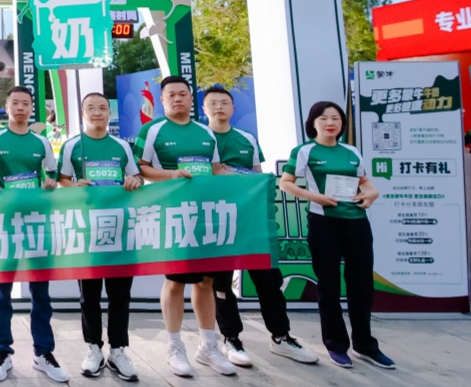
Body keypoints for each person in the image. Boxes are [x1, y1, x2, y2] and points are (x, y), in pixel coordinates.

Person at [201, 86, 318, 367]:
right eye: (213, 103)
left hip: (250, 218)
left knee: (268, 280)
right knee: (221, 283)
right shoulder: (199, 139)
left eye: (224, 102)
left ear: (233, 108)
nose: (219, 107)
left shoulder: (247, 139)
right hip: (216, 217)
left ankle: (281, 337)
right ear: (204, 109)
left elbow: (257, 177)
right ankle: (231, 338)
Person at [133, 75, 237, 378]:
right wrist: (171, 175)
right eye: (171, 95)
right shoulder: (152, 130)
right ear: (162, 100)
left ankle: (208, 346)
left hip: (207, 214)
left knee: (206, 282)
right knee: (176, 281)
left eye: (183, 94)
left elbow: (216, 170)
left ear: (192, 99)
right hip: (173, 214)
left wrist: (252, 182)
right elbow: (139, 168)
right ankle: (175, 347)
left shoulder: (206, 132)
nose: (178, 99)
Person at [279, 101, 395, 370]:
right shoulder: (305, 151)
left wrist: (372, 193)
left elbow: (364, 182)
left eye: (335, 118)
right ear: (313, 123)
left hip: (357, 222)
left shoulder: (351, 151)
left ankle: (364, 345)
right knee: (329, 285)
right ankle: (336, 344)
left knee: (362, 285)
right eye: (323, 118)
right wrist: (315, 196)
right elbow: (286, 183)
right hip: (324, 223)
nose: (330, 123)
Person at [0, 86, 67, 383]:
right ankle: (2, 351)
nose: (20, 108)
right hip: (4, 224)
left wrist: (50, 183)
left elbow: (52, 174)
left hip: (37, 224)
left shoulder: (41, 142)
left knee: (40, 292)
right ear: (6, 107)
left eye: (25, 104)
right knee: (1, 292)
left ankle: (43, 352)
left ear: (32, 108)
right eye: (15, 103)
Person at [57, 92, 141, 382]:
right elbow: (62, 181)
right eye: (91, 108)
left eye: (102, 108)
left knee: (120, 295)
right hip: (87, 231)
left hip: (120, 230)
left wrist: (134, 181)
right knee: (89, 296)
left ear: (109, 113)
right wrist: (74, 186)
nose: (97, 112)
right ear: (83, 113)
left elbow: (137, 177)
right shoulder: (72, 146)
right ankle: (93, 348)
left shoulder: (122, 146)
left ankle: (118, 350)